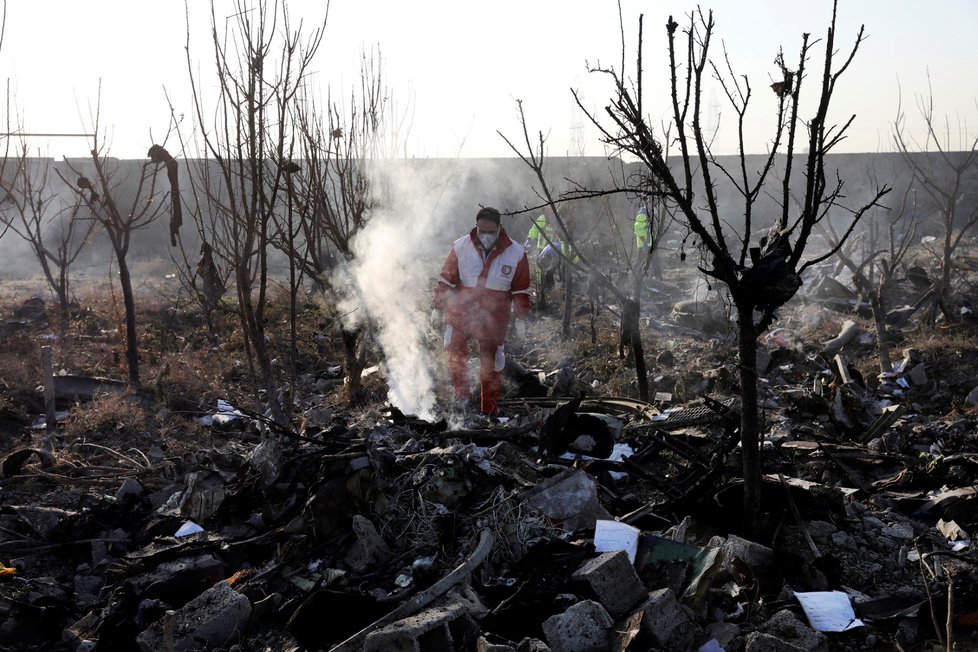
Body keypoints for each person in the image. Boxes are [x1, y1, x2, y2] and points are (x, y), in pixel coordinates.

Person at [433, 206, 532, 416]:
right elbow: (447, 278)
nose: (485, 236)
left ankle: (489, 410)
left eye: (490, 232)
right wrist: (438, 307)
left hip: (494, 318)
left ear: (499, 229)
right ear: (476, 227)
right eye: (481, 231)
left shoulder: (516, 253)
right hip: (461, 312)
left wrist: (521, 318)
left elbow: (521, 289)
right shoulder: (460, 247)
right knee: (454, 352)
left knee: (492, 363)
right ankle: (462, 400)